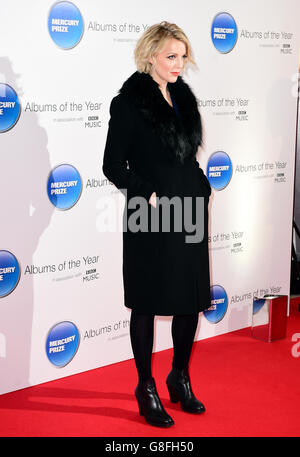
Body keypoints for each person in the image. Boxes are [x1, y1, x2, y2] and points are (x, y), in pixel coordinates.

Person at [102, 21, 211, 428]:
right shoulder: (129, 103)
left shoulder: (183, 98)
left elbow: (186, 157)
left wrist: (200, 185)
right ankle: (145, 386)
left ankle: (178, 376)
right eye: (171, 56)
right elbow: (112, 165)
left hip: (189, 212)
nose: (178, 64)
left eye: (182, 56)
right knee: (147, 301)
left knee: (191, 298)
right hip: (148, 216)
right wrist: (146, 193)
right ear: (150, 55)